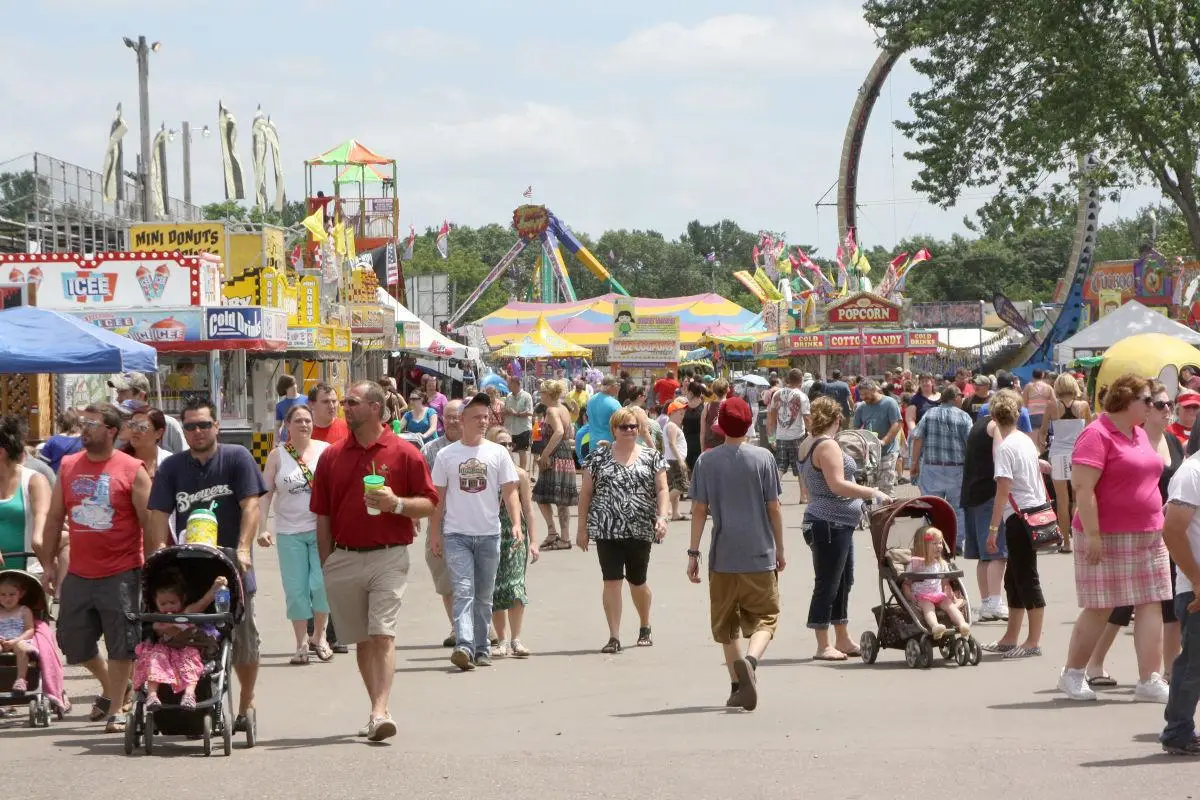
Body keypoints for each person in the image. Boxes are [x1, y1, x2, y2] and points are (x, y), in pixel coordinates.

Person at [311, 380, 438, 741]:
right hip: (344, 558)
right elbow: (322, 515)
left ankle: (380, 711)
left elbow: (429, 503)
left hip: (389, 556)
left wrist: (396, 503)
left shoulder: (405, 453)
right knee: (363, 642)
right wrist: (327, 562)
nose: (344, 408)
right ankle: (375, 709)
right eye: (344, 402)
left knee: (382, 634)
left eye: (352, 402)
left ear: (376, 408)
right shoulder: (332, 456)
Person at [147, 398, 267, 733]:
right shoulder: (173, 467)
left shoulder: (236, 458)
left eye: (203, 424)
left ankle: (246, 703)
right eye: (190, 426)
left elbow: (251, 505)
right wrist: (159, 549)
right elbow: (158, 513)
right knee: (179, 635)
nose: (197, 431)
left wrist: (243, 548)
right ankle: (181, 698)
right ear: (182, 429)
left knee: (243, 639)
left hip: (231, 564)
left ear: (216, 426)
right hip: (187, 568)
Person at [1058, 373, 1172, 702]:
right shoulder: (1096, 433)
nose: (1152, 406)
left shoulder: (1138, 433)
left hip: (1149, 533)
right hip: (1105, 534)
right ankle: (1073, 673)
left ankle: (1149, 679)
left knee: (1151, 603)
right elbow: (1083, 488)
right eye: (1147, 400)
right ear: (1126, 399)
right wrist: (1093, 535)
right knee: (1099, 606)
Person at [40, 402, 152, 733]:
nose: (85, 428)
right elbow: (54, 517)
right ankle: (116, 685)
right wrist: (47, 563)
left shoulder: (132, 469)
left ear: (112, 431)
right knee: (71, 640)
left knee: (121, 643)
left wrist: (154, 564)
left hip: (122, 571)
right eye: (83, 423)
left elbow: (150, 522)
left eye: (92, 423)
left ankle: (116, 708)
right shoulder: (70, 466)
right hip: (78, 572)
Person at [687, 397, 784, 711]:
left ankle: (737, 685)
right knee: (766, 619)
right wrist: (781, 548)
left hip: (723, 555)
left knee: (726, 624)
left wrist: (693, 552)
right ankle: (752, 662)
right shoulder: (764, 458)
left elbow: (699, 510)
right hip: (759, 551)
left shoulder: (706, 461)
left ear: (720, 427)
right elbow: (774, 508)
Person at [1086, 382, 1184, 687]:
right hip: (1130, 531)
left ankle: (1167, 672)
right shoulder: (1133, 440)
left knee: (1166, 606)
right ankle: (1092, 664)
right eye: (1159, 405)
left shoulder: (1173, 442)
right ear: (1142, 409)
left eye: (1171, 404)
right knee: (1117, 606)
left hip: (1166, 531)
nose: (1168, 410)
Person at [429, 393, 523, 671]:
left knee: (484, 595)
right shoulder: (447, 455)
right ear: (463, 420)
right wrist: (435, 534)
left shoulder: (498, 453)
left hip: (489, 535)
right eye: (477, 417)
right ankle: (464, 645)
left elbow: (510, 493)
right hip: (456, 534)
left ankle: (482, 648)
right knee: (463, 590)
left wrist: (516, 524)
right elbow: (438, 500)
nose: (483, 421)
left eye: (486, 416)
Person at [796, 397, 888, 661]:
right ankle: (823, 643)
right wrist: (872, 492)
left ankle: (842, 637)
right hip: (829, 522)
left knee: (843, 581)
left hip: (833, 521)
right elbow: (837, 484)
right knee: (828, 583)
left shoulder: (808, 443)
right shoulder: (826, 446)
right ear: (837, 419)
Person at [576, 407, 668, 654]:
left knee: (637, 582)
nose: (629, 431)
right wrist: (581, 528)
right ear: (614, 430)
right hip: (606, 529)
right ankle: (614, 636)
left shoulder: (651, 456)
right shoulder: (597, 458)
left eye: (633, 426)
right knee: (612, 581)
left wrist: (662, 516)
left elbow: (662, 490)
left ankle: (645, 624)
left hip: (640, 527)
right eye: (624, 427)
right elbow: (585, 494)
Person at [257, 404, 332, 665]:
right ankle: (300, 643)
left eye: (308, 420)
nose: (304, 425)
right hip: (289, 533)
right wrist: (262, 528)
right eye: (298, 420)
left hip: (321, 531)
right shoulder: (277, 456)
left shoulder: (325, 451)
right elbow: (266, 494)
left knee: (321, 585)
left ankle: (319, 637)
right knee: (296, 590)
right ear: (287, 425)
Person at [980, 390, 1047, 659]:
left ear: (994, 417)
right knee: (1014, 577)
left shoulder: (1006, 448)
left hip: (1019, 517)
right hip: (1034, 511)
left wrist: (993, 528)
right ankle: (1011, 636)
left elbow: (1003, 490)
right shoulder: (1025, 441)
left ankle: (1032, 641)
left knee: (1026, 577)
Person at [132, 572, 227, 709]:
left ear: (182, 600)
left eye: (172, 602)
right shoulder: (158, 618)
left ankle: (189, 695)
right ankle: (152, 695)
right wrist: (165, 625)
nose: (168, 607)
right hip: (165, 651)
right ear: (156, 604)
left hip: (186, 649)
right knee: (154, 660)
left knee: (191, 661)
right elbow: (158, 629)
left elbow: (203, 603)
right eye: (163, 604)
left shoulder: (187, 612)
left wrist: (215, 588)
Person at [1159, 444, 1200, 754]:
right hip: (1195, 588)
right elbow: (1172, 530)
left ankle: (1177, 722)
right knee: (1194, 664)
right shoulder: (1191, 473)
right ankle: (1178, 731)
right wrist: (1198, 581)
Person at [486, 426, 538, 658]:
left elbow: (528, 509)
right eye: (501, 444)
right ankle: (501, 640)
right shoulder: (486, 472)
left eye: (509, 444)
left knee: (516, 584)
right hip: (490, 532)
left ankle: (516, 639)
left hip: (515, 534)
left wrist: (534, 541)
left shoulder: (520, 475)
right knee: (497, 587)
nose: (507, 448)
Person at [421, 400, 464, 646]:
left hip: (472, 523)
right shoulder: (430, 450)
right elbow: (420, 486)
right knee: (446, 579)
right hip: (440, 522)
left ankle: (480, 626)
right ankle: (457, 628)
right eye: (448, 417)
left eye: (457, 416)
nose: (453, 421)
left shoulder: (477, 447)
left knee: (473, 579)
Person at [961, 409, 1008, 620]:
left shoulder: (978, 425)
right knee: (996, 552)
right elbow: (1000, 458)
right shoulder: (995, 427)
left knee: (983, 555)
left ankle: (988, 602)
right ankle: (996, 602)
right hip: (988, 494)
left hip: (971, 494)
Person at [909, 385, 971, 542]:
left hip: (932, 467)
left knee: (931, 506)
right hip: (957, 469)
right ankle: (957, 542)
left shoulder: (930, 414)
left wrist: (914, 463)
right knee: (958, 508)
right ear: (955, 397)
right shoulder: (964, 417)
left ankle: (931, 540)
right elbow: (970, 444)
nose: (962, 398)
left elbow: (918, 438)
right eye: (961, 395)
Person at [1037, 373, 1091, 552]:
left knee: (1061, 499)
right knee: (1077, 498)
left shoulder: (1052, 406)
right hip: (1078, 454)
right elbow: (1090, 429)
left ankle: (1066, 542)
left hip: (1058, 454)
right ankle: (1077, 537)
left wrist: (1043, 443)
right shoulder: (1083, 406)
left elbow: (1043, 432)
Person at [0, 416, 51, 572]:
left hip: (29, 575)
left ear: (1, 452)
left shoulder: (34, 481)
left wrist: (49, 569)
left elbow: (40, 536)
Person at [533, 380, 577, 551]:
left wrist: (545, 454)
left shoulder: (551, 410)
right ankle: (564, 537)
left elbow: (559, 431)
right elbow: (570, 432)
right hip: (565, 454)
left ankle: (552, 531)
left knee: (540, 494)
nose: (540, 395)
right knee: (561, 498)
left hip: (555, 455)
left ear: (548, 394)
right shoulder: (563, 408)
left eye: (542, 392)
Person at [908, 526, 970, 640]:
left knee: (950, 605)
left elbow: (945, 583)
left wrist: (951, 596)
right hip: (922, 597)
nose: (939, 546)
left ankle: (962, 624)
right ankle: (935, 626)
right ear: (923, 545)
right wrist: (910, 596)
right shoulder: (915, 563)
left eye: (940, 543)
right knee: (928, 607)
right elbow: (906, 583)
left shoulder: (941, 563)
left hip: (938, 595)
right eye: (934, 543)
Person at [109, 372, 185, 453]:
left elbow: (184, 460)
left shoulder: (169, 424)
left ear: (141, 395)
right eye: (118, 392)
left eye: (122, 392)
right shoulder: (116, 426)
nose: (118, 399)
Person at [768, 368, 812, 505]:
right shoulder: (802, 396)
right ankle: (803, 497)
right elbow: (807, 418)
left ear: (788, 380)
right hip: (797, 437)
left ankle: (773, 496)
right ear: (801, 381)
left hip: (781, 436)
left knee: (780, 467)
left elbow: (771, 418)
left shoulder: (777, 394)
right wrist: (813, 434)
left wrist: (771, 438)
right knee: (800, 468)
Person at [852, 379, 903, 496]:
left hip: (887, 451)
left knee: (885, 486)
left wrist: (884, 441)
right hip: (869, 453)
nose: (863, 397)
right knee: (870, 487)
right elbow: (855, 428)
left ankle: (887, 511)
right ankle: (873, 512)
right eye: (861, 394)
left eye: (866, 394)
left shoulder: (889, 403)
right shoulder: (861, 407)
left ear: (874, 390)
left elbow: (897, 424)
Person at [0, 573, 37, 693]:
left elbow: (30, 629)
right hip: (2, 641)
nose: (7, 598)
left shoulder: (24, 610)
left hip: (19, 639)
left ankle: (21, 679)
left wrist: (16, 640)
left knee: (21, 647)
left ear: (20, 594)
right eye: (3, 595)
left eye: (12, 594)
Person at [663, 399, 691, 521]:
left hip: (673, 459)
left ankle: (675, 513)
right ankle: (662, 503)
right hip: (674, 460)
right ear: (672, 412)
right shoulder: (671, 426)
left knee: (675, 486)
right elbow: (672, 444)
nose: (682, 415)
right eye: (680, 413)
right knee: (682, 485)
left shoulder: (673, 425)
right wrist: (680, 460)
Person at [502, 376, 534, 471]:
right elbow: (507, 410)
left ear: (516, 384)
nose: (508, 386)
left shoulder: (527, 396)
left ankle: (523, 474)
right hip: (510, 429)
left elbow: (530, 412)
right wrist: (505, 412)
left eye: (509, 384)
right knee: (508, 452)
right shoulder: (508, 396)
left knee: (522, 452)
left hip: (522, 429)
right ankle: (512, 472)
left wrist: (515, 413)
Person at [40, 408, 82, 473]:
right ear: (77, 423)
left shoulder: (53, 440)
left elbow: (42, 464)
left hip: (56, 477)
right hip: (78, 478)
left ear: (60, 424)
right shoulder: (84, 440)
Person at [586, 376, 622, 448]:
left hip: (593, 443)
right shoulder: (614, 404)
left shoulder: (591, 400)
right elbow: (622, 424)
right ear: (611, 386)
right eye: (618, 385)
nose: (619, 388)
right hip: (609, 445)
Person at [275, 374, 307, 443]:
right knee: (292, 454)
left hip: (304, 438)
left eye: (295, 383)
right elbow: (277, 426)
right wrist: (275, 443)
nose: (294, 386)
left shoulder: (307, 400)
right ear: (285, 388)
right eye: (291, 385)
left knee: (302, 454)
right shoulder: (280, 405)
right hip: (287, 441)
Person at [681, 382, 705, 475]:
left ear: (691, 393)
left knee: (693, 469)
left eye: (687, 391)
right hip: (696, 441)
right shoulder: (704, 406)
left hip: (691, 441)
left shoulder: (685, 407)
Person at [701, 379, 730, 452]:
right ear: (728, 390)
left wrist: (702, 450)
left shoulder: (707, 406)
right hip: (726, 447)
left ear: (713, 391)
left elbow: (702, 432)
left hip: (710, 447)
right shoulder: (730, 406)